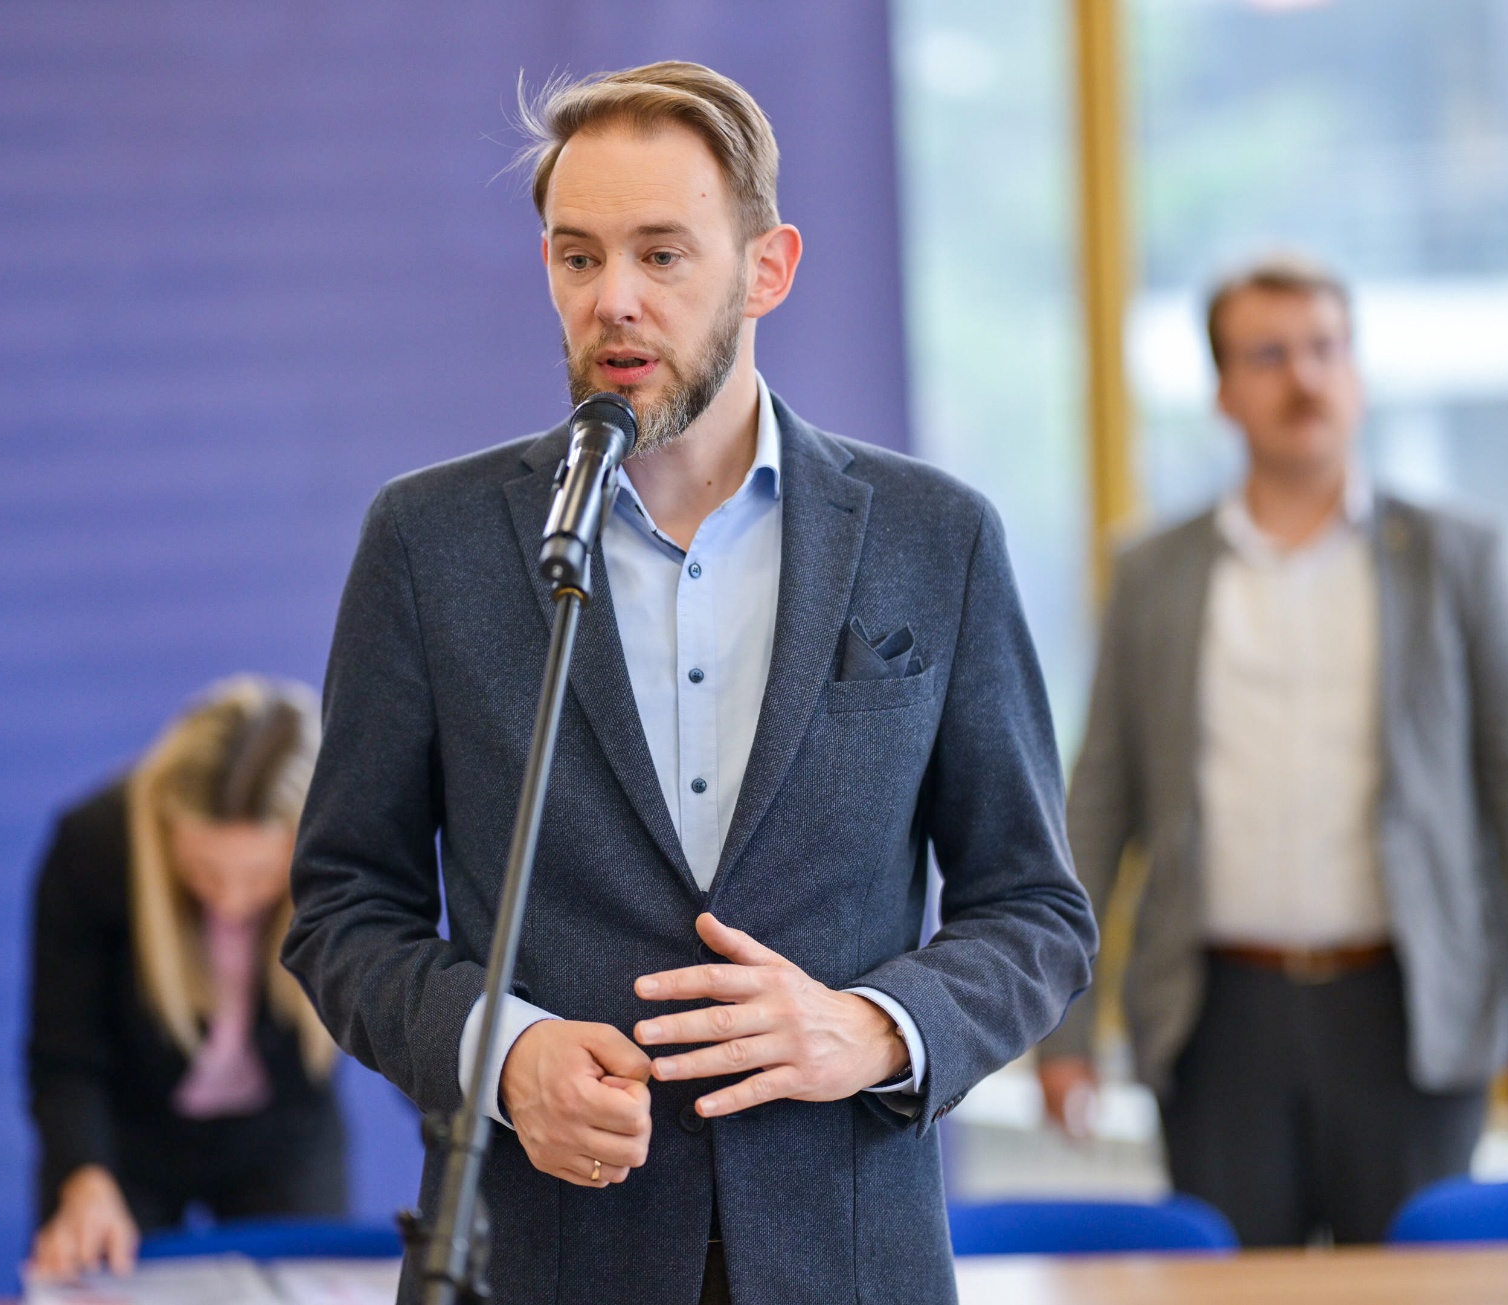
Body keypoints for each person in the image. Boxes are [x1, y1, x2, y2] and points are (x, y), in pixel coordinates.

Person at [284, 62, 1096, 1305]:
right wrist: (507, 1056)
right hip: (546, 1257)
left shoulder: (938, 539)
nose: (613, 299)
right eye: (578, 257)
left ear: (768, 269)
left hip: (848, 1261)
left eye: (662, 255)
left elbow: (1036, 911)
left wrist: (873, 1028)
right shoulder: (428, 542)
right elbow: (344, 908)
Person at [1038, 254, 1508, 1245]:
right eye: (1269, 356)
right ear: (1224, 391)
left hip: (1410, 1011)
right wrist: (1061, 1029)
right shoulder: (1153, 573)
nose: (1304, 378)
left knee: (1416, 1288)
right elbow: (1099, 802)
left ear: (1356, 370)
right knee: (1233, 1286)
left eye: (1325, 349)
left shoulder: (1456, 556)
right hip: (1216, 1016)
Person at [24, 676, 346, 1278]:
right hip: (124, 1136)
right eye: (203, 872)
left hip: (283, 1129)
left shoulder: (346, 848)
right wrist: (84, 1177)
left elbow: (405, 1003)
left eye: (260, 878)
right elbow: (64, 1056)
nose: (230, 902)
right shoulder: (94, 844)